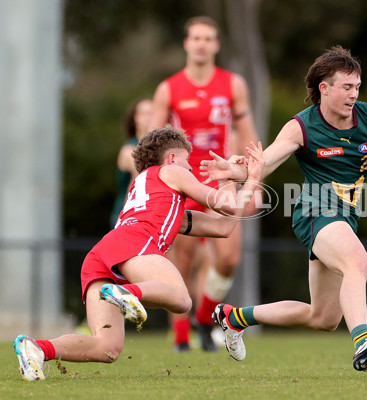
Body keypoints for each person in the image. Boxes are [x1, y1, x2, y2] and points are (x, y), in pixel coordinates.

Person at [200, 45, 367, 371]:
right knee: (358, 263)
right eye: (347, 87)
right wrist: (234, 171)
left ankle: (234, 317)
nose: (354, 94)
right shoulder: (302, 127)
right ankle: (363, 342)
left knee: (322, 317)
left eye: (357, 87)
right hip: (314, 211)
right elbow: (264, 163)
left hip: (345, 217)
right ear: (324, 87)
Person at [13, 127, 265, 381]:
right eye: (187, 161)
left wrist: (230, 180)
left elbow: (224, 226)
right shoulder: (171, 171)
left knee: (107, 348)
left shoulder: (158, 193)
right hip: (134, 241)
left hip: (104, 252)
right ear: (172, 158)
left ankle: (36, 349)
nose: (190, 169)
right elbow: (226, 204)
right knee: (182, 300)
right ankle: (128, 293)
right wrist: (237, 174)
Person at [150, 16, 259, 352]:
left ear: (216, 45)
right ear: (186, 43)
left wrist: (255, 178)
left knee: (228, 257)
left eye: (208, 38)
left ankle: (202, 316)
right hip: (183, 180)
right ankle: (181, 338)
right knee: (181, 261)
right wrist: (154, 182)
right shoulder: (168, 89)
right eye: (195, 38)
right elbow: (151, 143)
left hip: (221, 175)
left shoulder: (233, 84)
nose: (201, 44)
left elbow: (247, 134)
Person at [109, 97, 153, 227]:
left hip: (151, 219)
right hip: (129, 219)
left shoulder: (166, 150)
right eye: (144, 113)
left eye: (152, 113)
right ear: (135, 118)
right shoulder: (128, 149)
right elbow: (139, 177)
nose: (148, 117)